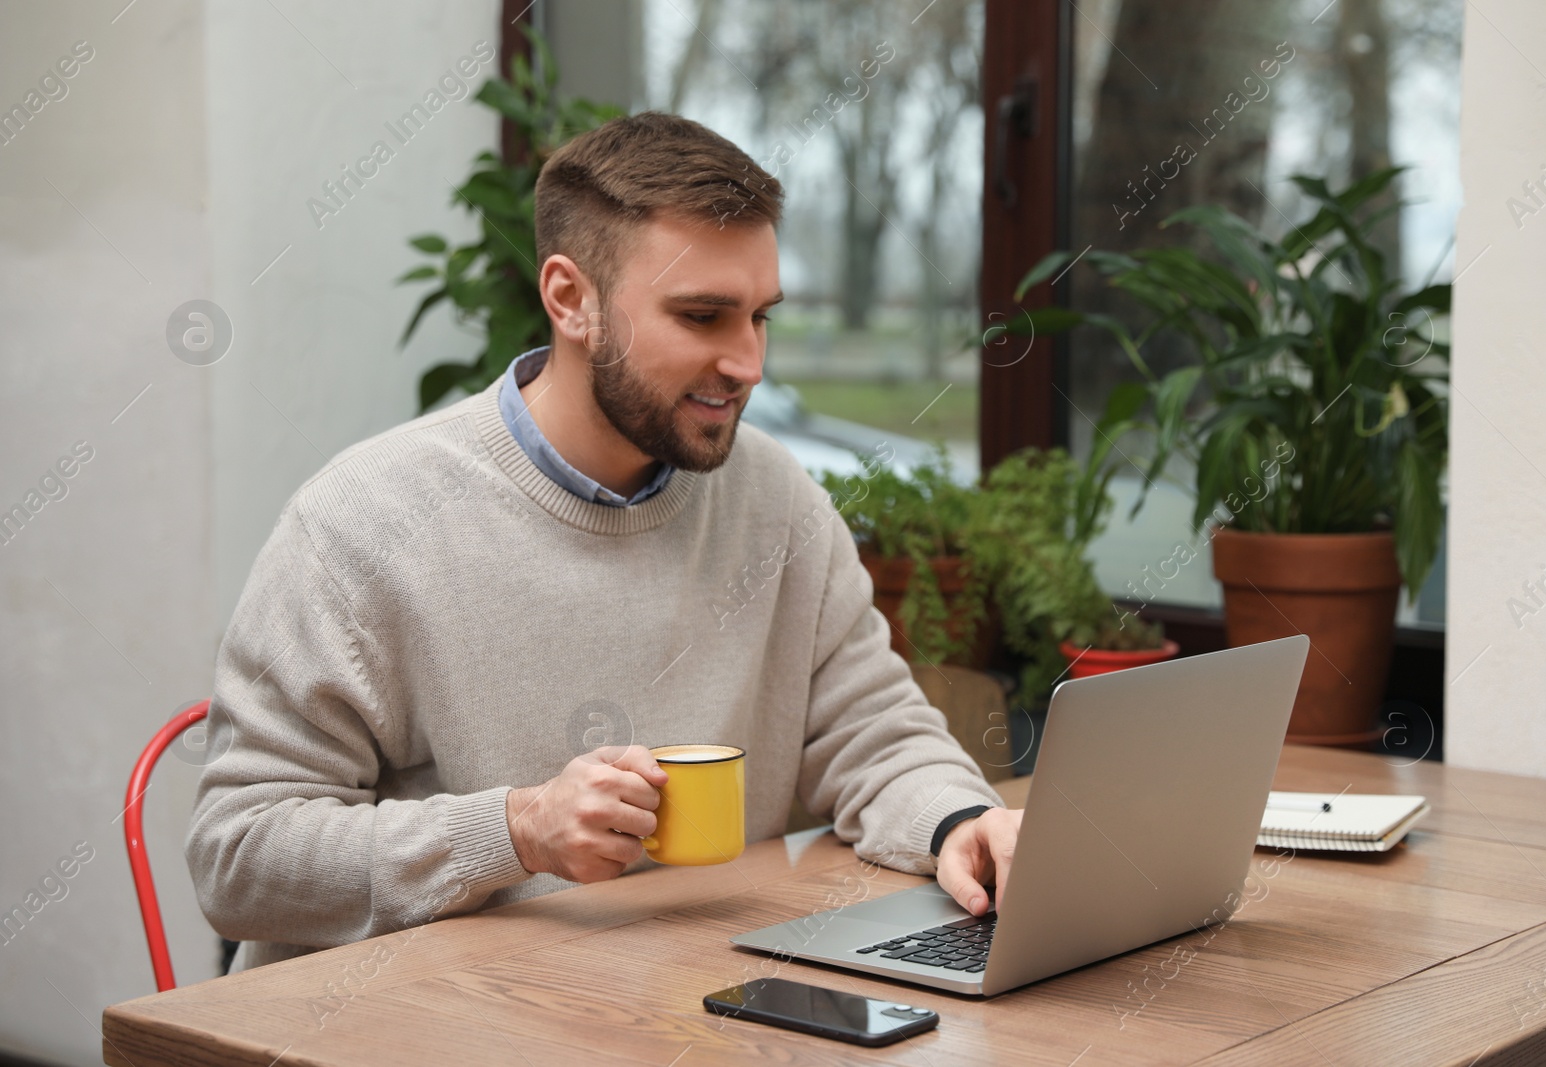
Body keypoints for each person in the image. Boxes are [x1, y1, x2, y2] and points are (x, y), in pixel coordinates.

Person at [186, 111, 1023, 973]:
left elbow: (877, 735)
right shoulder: (359, 523)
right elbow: (240, 856)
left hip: (675, 1009)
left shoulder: (778, 503)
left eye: (760, 317)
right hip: (404, 1026)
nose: (750, 363)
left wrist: (965, 822)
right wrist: (516, 829)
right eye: (703, 316)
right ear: (570, 298)